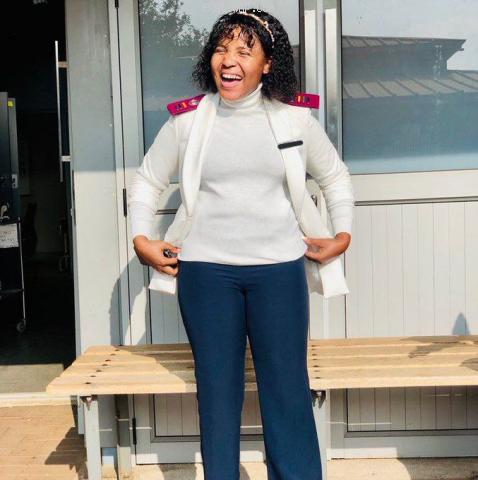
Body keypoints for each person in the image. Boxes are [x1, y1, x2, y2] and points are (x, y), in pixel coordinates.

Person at [128, 8, 354, 480]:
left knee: (287, 389)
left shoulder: (294, 119)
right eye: (221, 49)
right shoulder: (189, 121)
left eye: (244, 51)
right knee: (217, 391)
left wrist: (342, 235)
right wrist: (141, 238)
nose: (229, 60)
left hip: (279, 272)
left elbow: (335, 177)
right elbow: (148, 181)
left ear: (268, 63)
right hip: (206, 274)